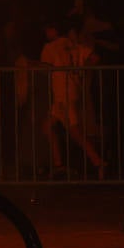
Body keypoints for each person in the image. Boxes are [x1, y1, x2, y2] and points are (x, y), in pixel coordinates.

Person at [39, 17, 106, 179]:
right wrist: (80, 71)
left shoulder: (50, 47)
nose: (45, 33)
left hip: (63, 94)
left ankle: (98, 162)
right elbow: (95, 58)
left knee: (75, 132)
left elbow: (44, 68)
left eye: (48, 29)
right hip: (72, 92)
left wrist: (30, 65)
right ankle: (58, 164)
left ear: (54, 30)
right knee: (47, 127)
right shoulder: (74, 45)